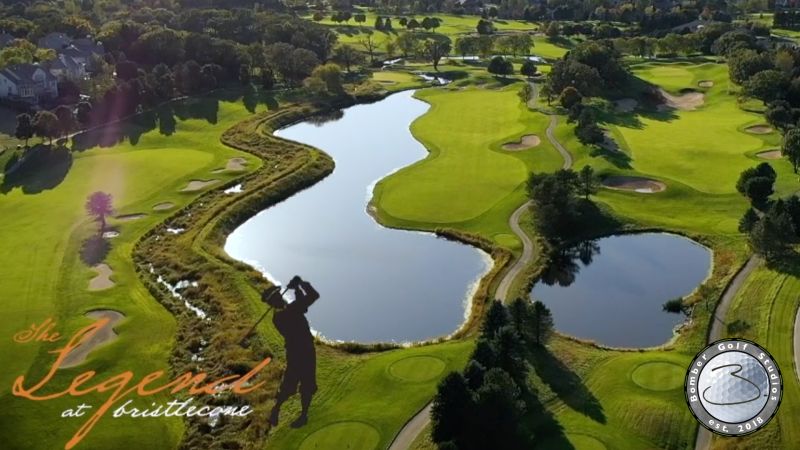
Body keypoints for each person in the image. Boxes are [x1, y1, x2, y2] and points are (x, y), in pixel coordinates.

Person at [263, 275, 319, 428]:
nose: (281, 299)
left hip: (301, 351)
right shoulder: (283, 315)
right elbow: (312, 297)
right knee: (293, 384)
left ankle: (300, 415)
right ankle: (277, 410)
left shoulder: (281, 314)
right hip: (301, 352)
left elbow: (303, 306)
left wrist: (298, 289)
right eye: (276, 298)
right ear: (275, 302)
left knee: (303, 384)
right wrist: (299, 285)